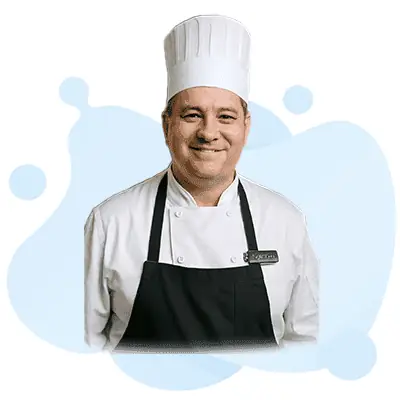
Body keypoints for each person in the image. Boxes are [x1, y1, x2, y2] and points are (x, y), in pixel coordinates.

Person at [84, 14, 319, 353]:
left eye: (226, 116)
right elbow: (85, 350)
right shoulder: (111, 221)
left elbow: (305, 345)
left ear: (246, 126)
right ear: (167, 125)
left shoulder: (285, 220)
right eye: (192, 114)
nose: (209, 133)